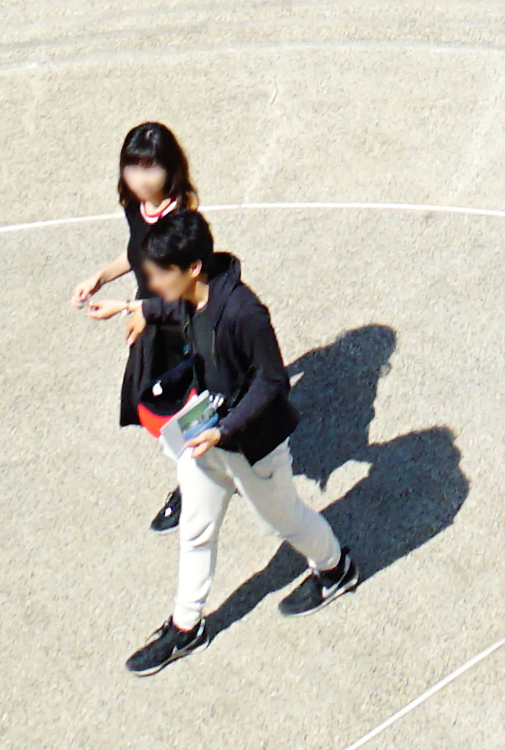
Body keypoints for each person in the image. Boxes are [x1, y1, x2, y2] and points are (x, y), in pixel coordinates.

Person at [124, 207, 356, 671]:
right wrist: (139, 310)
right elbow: (171, 306)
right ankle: (187, 627)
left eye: (159, 276)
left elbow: (272, 382)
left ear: (192, 269)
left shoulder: (245, 313)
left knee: (282, 520)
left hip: (251, 443)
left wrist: (225, 429)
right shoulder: (191, 293)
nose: (154, 285)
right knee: (195, 528)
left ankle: (335, 567)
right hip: (206, 435)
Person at [79, 124, 200, 537]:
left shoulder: (182, 221)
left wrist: (136, 309)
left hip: (175, 323)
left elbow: (188, 291)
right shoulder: (137, 207)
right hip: (148, 319)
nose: (141, 178)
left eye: (151, 168)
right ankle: (199, 467)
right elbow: (137, 250)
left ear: (171, 169)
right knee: (154, 406)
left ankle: (194, 483)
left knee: (178, 407)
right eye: (134, 167)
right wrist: (101, 276)